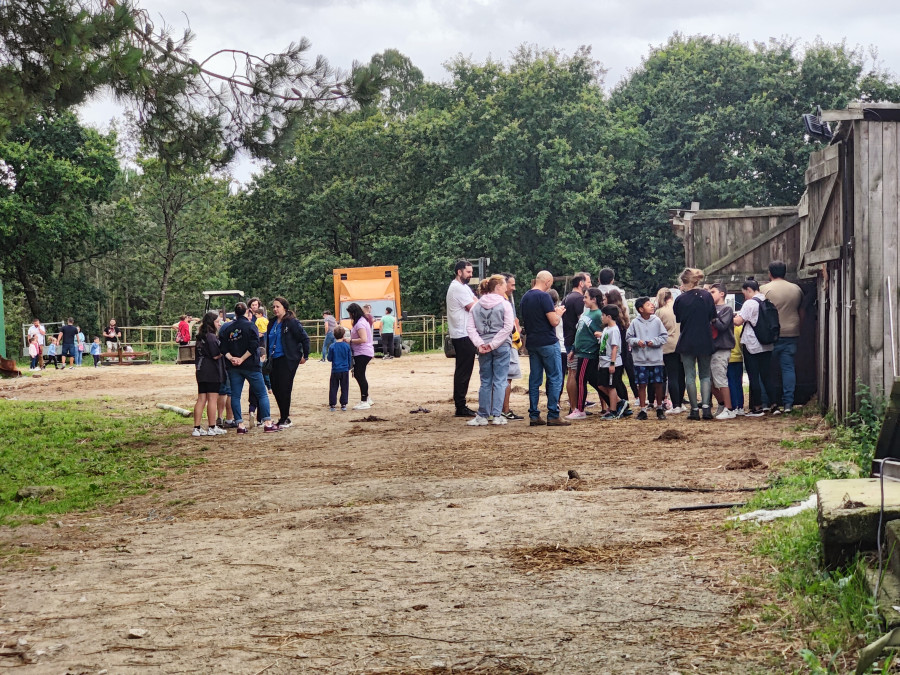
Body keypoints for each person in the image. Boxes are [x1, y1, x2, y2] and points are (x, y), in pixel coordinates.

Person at [219, 302, 279, 434]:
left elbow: (222, 347)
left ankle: (240, 425)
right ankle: (268, 423)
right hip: (251, 365)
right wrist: (242, 358)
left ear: (235, 313)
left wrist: (232, 358)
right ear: (247, 312)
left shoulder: (227, 328)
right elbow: (253, 346)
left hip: (233, 366)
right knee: (262, 394)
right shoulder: (251, 326)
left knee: (235, 395)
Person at [520, 270, 569, 426]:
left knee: (535, 379)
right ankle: (553, 414)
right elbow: (553, 321)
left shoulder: (525, 297)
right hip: (547, 341)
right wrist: (559, 313)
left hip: (532, 342)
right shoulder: (544, 296)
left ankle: (534, 414)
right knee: (555, 377)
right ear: (547, 282)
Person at [465, 275, 514, 426]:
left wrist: (480, 344)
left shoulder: (476, 306)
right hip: (501, 346)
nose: (506, 288)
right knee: (500, 380)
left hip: (483, 346)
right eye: (504, 285)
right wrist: (494, 344)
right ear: (498, 287)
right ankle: (497, 415)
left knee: (485, 381)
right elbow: (508, 327)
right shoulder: (505, 304)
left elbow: (470, 328)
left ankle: (482, 415)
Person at [760, 261, 803, 413]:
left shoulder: (764, 289)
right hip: (791, 331)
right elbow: (801, 310)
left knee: (765, 369)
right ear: (785, 272)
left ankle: (766, 403)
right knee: (788, 368)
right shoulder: (796, 289)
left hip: (770, 334)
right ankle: (788, 404)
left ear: (770, 273)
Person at [673, 268, 716, 421]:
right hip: (705, 338)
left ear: (683, 283)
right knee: (705, 375)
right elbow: (712, 316)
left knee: (689, 375)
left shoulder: (680, 299)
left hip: (687, 339)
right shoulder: (707, 296)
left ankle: (694, 409)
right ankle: (706, 407)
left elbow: (678, 319)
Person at [734, 279, 776, 417]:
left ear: (749, 290)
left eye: (744, 293)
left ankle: (757, 407)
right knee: (767, 375)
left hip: (752, 344)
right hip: (767, 344)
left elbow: (739, 321)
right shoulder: (767, 301)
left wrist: (730, 316)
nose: (744, 296)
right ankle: (774, 404)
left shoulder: (750, 303)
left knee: (754, 376)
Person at [265, 296, 309, 428]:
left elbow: (304, 338)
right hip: (274, 359)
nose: (275, 309)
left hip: (287, 358)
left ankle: (285, 417)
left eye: (277, 306)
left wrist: (304, 356)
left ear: (284, 307)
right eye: (273, 306)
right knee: (275, 387)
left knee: (284, 387)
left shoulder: (292, 322)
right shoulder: (271, 322)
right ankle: (283, 415)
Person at [626, 297, 669, 420]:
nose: (652, 306)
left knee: (658, 383)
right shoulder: (635, 322)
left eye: (652, 304)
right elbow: (628, 338)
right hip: (640, 359)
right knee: (642, 384)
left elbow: (664, 336)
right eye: (648, 304)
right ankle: (643, 409)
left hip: (656, 359)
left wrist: (654, 342)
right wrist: (636, 341)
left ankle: (660, 407)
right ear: (641, 309)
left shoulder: (657, 321)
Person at [566, 287, 605, 420]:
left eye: (586, 297)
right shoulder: (587, 313)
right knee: (594, 381)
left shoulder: (599, 315)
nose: (583, 300)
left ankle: (580, 409)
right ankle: (616, 402)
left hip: (588, 353)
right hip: (580, 351)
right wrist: (573, 349)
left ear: (594, 299)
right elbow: (579, 333)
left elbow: (605, 333)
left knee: (580, 380)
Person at [447, 260, 478, 417]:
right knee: (463, 371)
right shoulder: (457, 288)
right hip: (462, 334)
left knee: (464, 369)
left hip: (465, 333)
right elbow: (474, 307)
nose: (471, 275)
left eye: (471, 272)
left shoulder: (464, 287)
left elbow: (476, 302)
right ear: (459, 272)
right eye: (468, 272)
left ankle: (461, 403)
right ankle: (460, 406)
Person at [193, 312, 227, 436]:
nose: (219, 324)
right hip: (212, 371)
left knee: (201, 398)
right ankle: (212, 426)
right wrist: (225, 351)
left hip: (201, 370)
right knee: (212, 398)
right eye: (217, 321)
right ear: (211, 322)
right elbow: (215, 354)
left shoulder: (199, 336)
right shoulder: (211, 337)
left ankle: (196, 428)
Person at [562, 273, 591, 413]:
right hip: (576, 342)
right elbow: (582, 322)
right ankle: (574, 407)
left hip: (568, 338)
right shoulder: (579, 299)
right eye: (588, 282)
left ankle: (574, 405)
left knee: (571, 372)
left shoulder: (566, 298)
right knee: (574, 373)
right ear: (581, 283)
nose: (590, 285)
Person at [709, 283, 736, 419]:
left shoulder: (727, 309)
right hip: (710, 349)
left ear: (722, 294)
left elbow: (722, 326)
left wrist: (712, 316)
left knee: (721, 379)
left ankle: (729, 408)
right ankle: (721, 403)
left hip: (722, 348)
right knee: (710, 381)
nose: (710, 294)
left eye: (713, 292)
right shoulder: (709, 309)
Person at [607, 289, 638, 405]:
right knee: (630, 372)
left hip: (620, 346)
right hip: (625, 345)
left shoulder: (614, 316)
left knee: (620, 375)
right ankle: (637, 395)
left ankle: (624, 399)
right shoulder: (623, 312)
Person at [656, 288, 685, 414]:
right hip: (683, 343)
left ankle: (676, 405)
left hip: (668, 345)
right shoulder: (681, 307)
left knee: (672, 375)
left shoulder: (660, 312)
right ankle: (681, 402)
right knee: (682, 375)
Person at [500, 273, 525, 421]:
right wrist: (516, 333)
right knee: (507, 378)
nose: (513, 288)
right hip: (509, 344)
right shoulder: (504, 302)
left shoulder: (502, 300)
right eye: (512, 285)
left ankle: (498, 409)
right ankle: (505, 409)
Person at [597, 305, 625, 419]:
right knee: (601, 385)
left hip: (611, 362)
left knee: (611, 386)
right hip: (604, 361)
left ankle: (613, 410)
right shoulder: (606, 329)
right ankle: (620, 401)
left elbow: (614, 347)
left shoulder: (614, 330)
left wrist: (612, 363)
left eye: (603, 316)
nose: (601, 318)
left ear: (609, 316)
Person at [347, 302, 376, 410]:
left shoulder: (360, 324)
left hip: (362, 352)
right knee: (360, 374)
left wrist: (350, 340)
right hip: (363, 352)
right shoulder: (362, 321)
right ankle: (367, 397)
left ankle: (364, 400)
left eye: (350, 313)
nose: (349, 316)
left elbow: (363, 339)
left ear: (353, 313)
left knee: (359, 375)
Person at [327, 326, 352, 411]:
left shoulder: (332, 346)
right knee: (344, 387)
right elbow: (349, 358)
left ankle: (332, 405)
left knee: (333, 387)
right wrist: (349, 367)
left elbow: (329, 358)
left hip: (335, 370)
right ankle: (343, 404)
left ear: (334, 335)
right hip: (344, 370)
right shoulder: (347, 346)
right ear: (343, 335)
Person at [728, 323, 745, 415]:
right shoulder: (739, 328)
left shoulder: (727, 328)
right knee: (739, 383)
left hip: (729, 358)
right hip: (739, 358)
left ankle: (734, 406)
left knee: (730, 382)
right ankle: (741, 406)